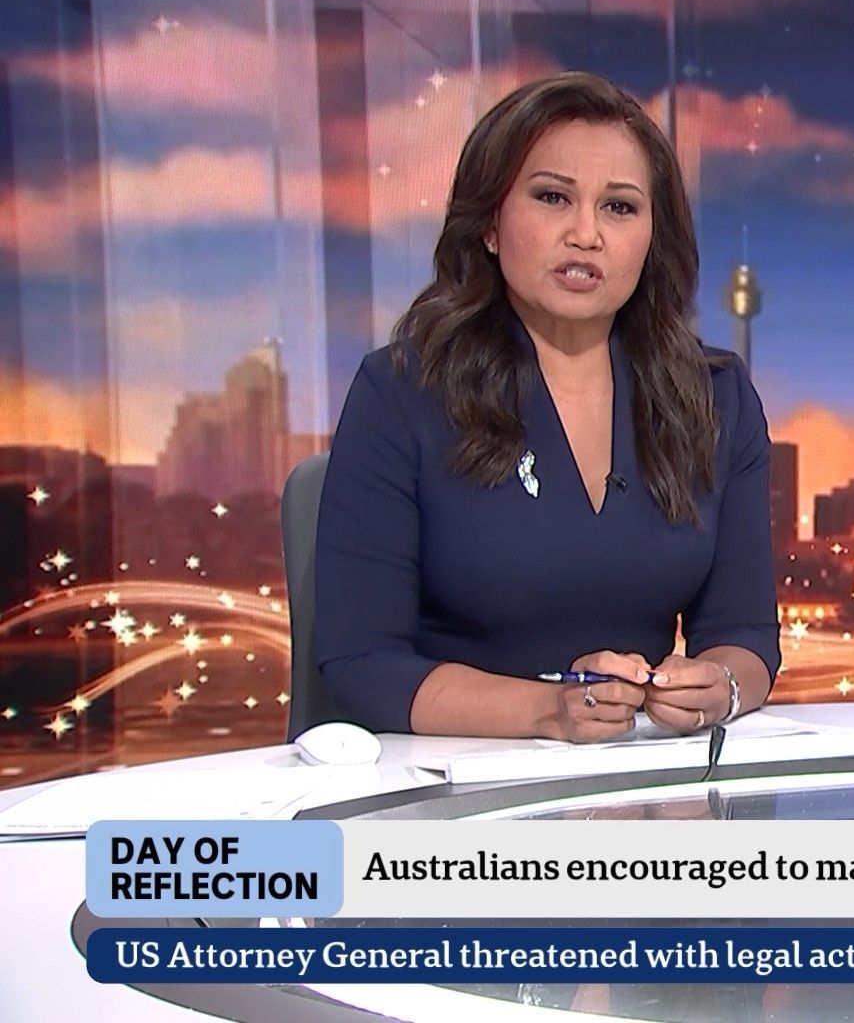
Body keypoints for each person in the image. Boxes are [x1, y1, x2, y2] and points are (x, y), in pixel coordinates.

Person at [314, 71, 779, 740]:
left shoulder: (715, 398)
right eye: (553, 197)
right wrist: (548, 710)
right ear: (490, 224)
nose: (586, 234)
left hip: (641, 772)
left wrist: (721, 688)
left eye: (619, 207)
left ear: (653, 237)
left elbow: (745, 635)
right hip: (455, 773)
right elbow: (361, 661)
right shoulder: (402, 392)